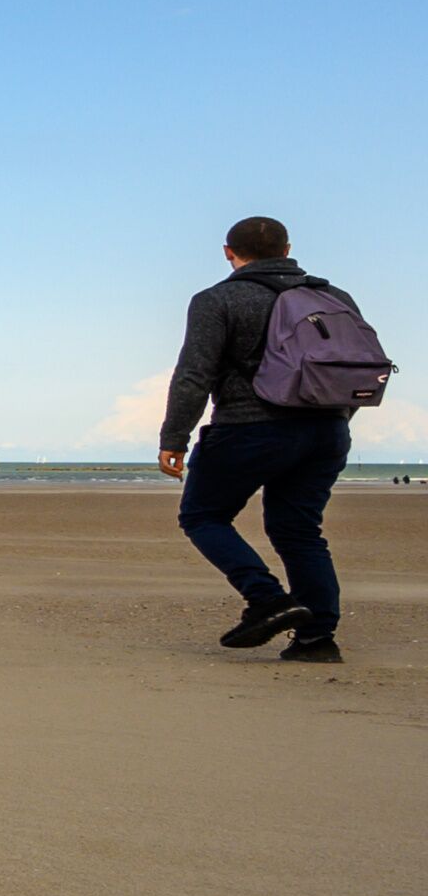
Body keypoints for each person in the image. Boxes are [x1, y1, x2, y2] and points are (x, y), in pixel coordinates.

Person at [158, 215, 349, 664]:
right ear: (287, 250)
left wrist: (175, 438)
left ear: (229, 252)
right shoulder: (333, 297)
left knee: (203, 516)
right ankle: (317, 639)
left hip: (249, 426)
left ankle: (268, 599)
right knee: (300, 531)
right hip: (326, 429)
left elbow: (194, 374)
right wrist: (335, 418)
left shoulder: (219, 299)